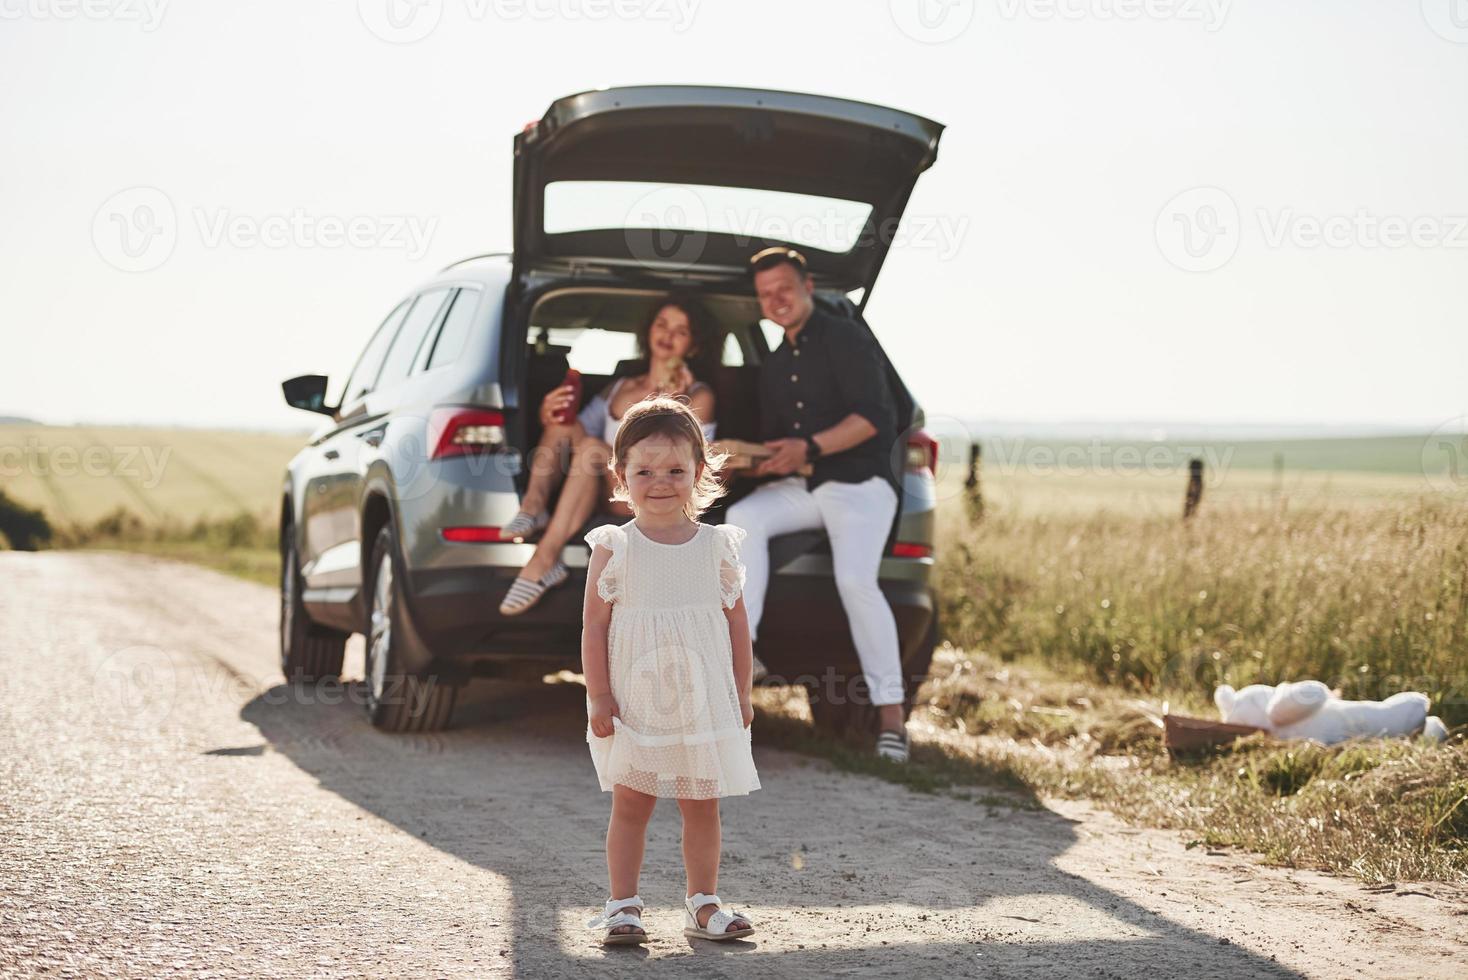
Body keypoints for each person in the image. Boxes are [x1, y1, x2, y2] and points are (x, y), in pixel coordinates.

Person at [580, 396, 759, 946]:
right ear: (621, 475)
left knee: (701, 804)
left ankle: (702, 904)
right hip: (637, 700)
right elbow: (594, 628)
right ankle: (623, 906)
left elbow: (736, 629)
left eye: (676, 470)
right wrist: (599, 697)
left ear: (700, 473)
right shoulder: (615, 547)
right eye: (645, 471)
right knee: (632, 803)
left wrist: (743, 695)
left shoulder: (716, 548)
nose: (661, 482)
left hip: (701, 699)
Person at [725, 246, 910, 763]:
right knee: (742, 518)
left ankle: (892, 720)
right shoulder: (777, 362)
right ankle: (746, 656)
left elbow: (874, 417)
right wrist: (756, 460)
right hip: (804, 485)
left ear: (808, 286)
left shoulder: (846, 337)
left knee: (855, 581)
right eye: (765, 295)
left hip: (859, 483)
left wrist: (807, 449)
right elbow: (780, 441)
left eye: (784, 288)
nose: (775, 300)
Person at [499, 295, 719, 615]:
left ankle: (544, 559)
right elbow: (574, 430)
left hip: (646, 490)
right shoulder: (620, 387)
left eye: (681, 331)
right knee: (565, 427)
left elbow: (688, 458)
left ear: (694, 346)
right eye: (661, 325)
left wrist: (673, 402)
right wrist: (548, 414)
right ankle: (532, 509)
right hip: (604, 484)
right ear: (648, 333)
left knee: (593, 449)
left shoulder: (698, 393)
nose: (667, 335)